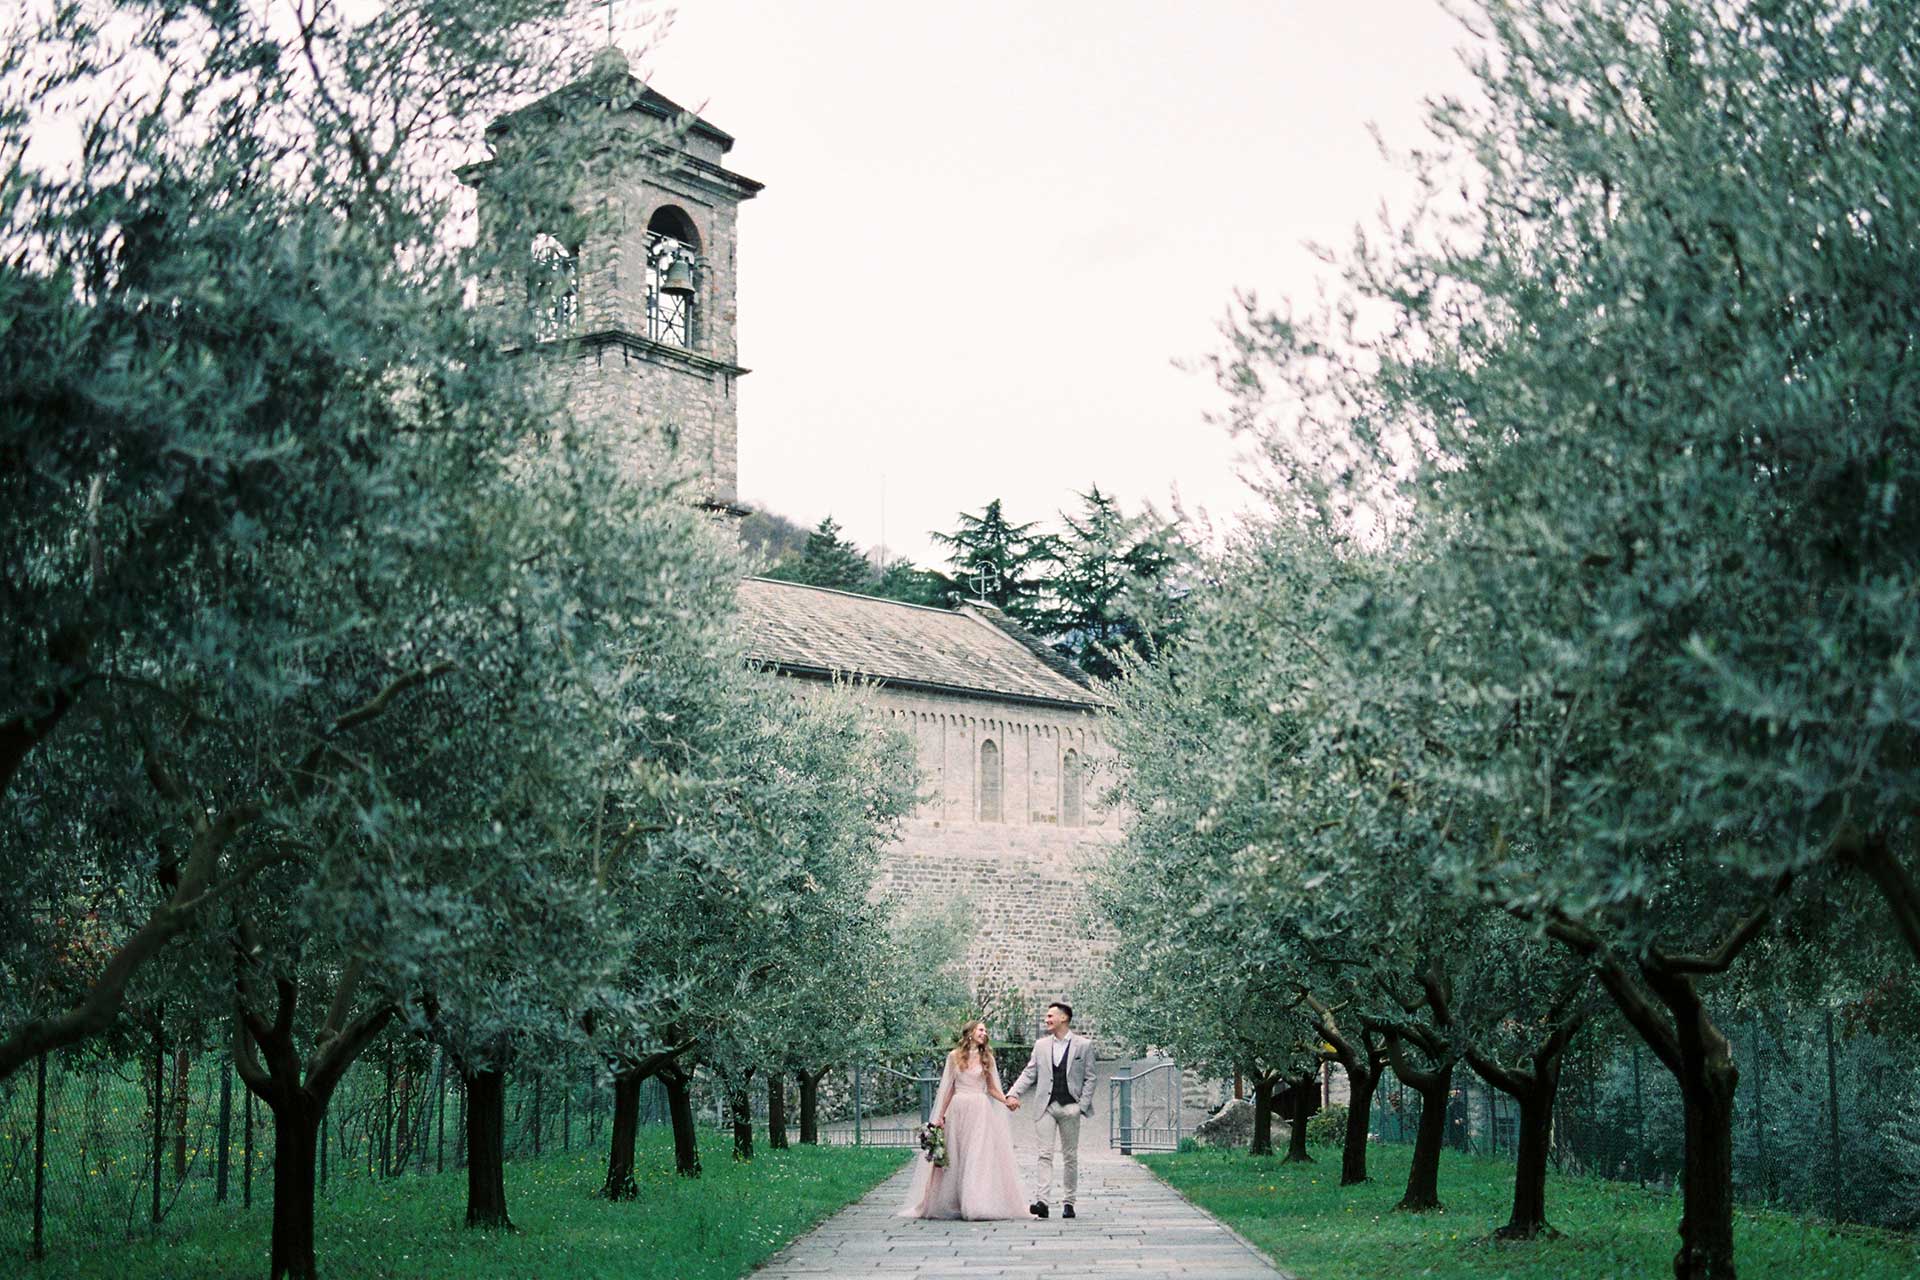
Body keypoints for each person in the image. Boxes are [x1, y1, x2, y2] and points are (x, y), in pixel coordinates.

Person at [898, 1020, 1033, 1220]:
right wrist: (940, 1116)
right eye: (980, 1029)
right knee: (957, 1155)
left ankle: (976, 1204)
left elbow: (992, 1088)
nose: (984, 1033)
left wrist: (1007, 1101)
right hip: (959, 1109)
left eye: (985, 1030)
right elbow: (949, 1088)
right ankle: (956, 1202)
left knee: (976, 1155)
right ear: (969, 1032)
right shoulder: (954, 1057)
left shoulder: (988, 1058)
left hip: (980, 1110)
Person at [1004, 1000, 1095, 1219]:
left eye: (1050, 1016)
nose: (1046, 1019)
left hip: (1070, 1106)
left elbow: (1091, 1077)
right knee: (1044, 1154)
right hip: (1045, 1106)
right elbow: (1029, 1073)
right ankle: (1042, 1201)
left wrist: (1081, 1107)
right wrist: (1013, 1093)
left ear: (1064, 1018)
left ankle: (1069, 1202)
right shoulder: (1041, 1045)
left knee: (1070, 1156)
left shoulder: (1083, 1045)